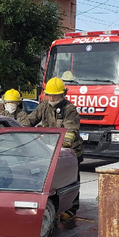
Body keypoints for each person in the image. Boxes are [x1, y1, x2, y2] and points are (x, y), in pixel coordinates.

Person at [27, 77, 83, 228]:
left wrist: (64, 144)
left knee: (71, 179)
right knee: (53, 180)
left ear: (63, 94)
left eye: (54, 95)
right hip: (50, 150)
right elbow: (30, 121)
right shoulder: (44, 106)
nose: (51, 97)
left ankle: (71, 208)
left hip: (70, 151)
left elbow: (71, 129)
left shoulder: (69, 109)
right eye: (49, 95)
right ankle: (57, 205)